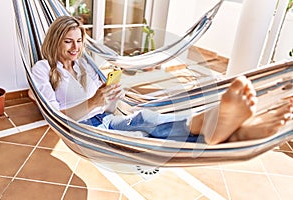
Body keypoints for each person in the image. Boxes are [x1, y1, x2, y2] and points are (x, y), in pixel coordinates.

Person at [32, 16, 293, 145]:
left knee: (145, 121)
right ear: (56, 41)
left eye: (79, 41)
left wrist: (111, 97)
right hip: (83, 129)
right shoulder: (43, 69)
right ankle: (211, 126)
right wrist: (92, 101)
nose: (75, 47)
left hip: (104, 119)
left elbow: (106, 109)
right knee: (143, 131)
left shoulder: (85, 66)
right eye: (68, 41)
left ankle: (235, 132)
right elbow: (56, 116)